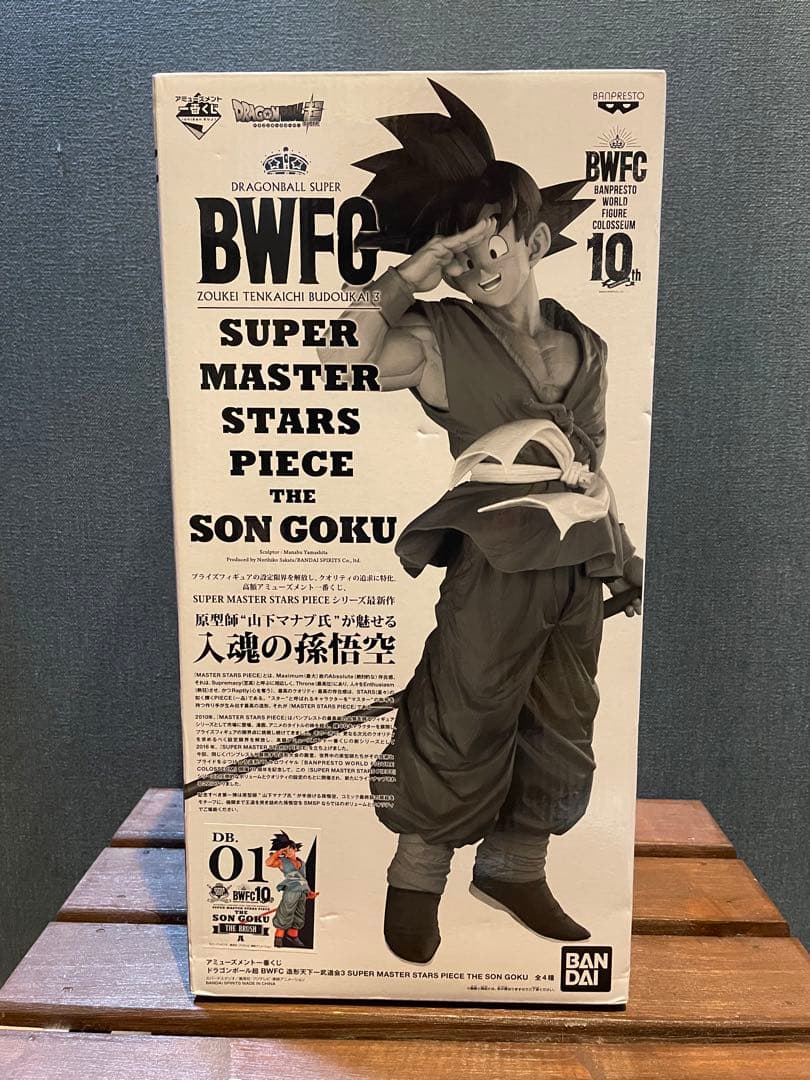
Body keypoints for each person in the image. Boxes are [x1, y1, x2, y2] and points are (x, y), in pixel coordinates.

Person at [325, 79, 642, 963]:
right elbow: (345, 354)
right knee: (462, 711)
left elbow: (591, 462)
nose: (473, 270)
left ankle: (514, 867)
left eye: (486, 247)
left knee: (563, 716)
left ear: (533, 240)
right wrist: (415, 271)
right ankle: (416, 876)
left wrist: (622, 554)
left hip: (579, 565)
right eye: (456, 258)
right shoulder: (438, 336)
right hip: (495, 561)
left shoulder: (588, 344)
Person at [265, 831, 317, 948]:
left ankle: (293, 936)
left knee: (299, 914)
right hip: (291, 892)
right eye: (284, 851)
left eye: (288, 849)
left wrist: (309, 892)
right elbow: (268, 863)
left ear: (294, 848)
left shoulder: (302, 863)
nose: (287, 852)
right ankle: (278, 938)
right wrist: (278, 853)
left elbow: (303, 879)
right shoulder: (282, 862)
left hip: (302, 892)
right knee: (285, 913)